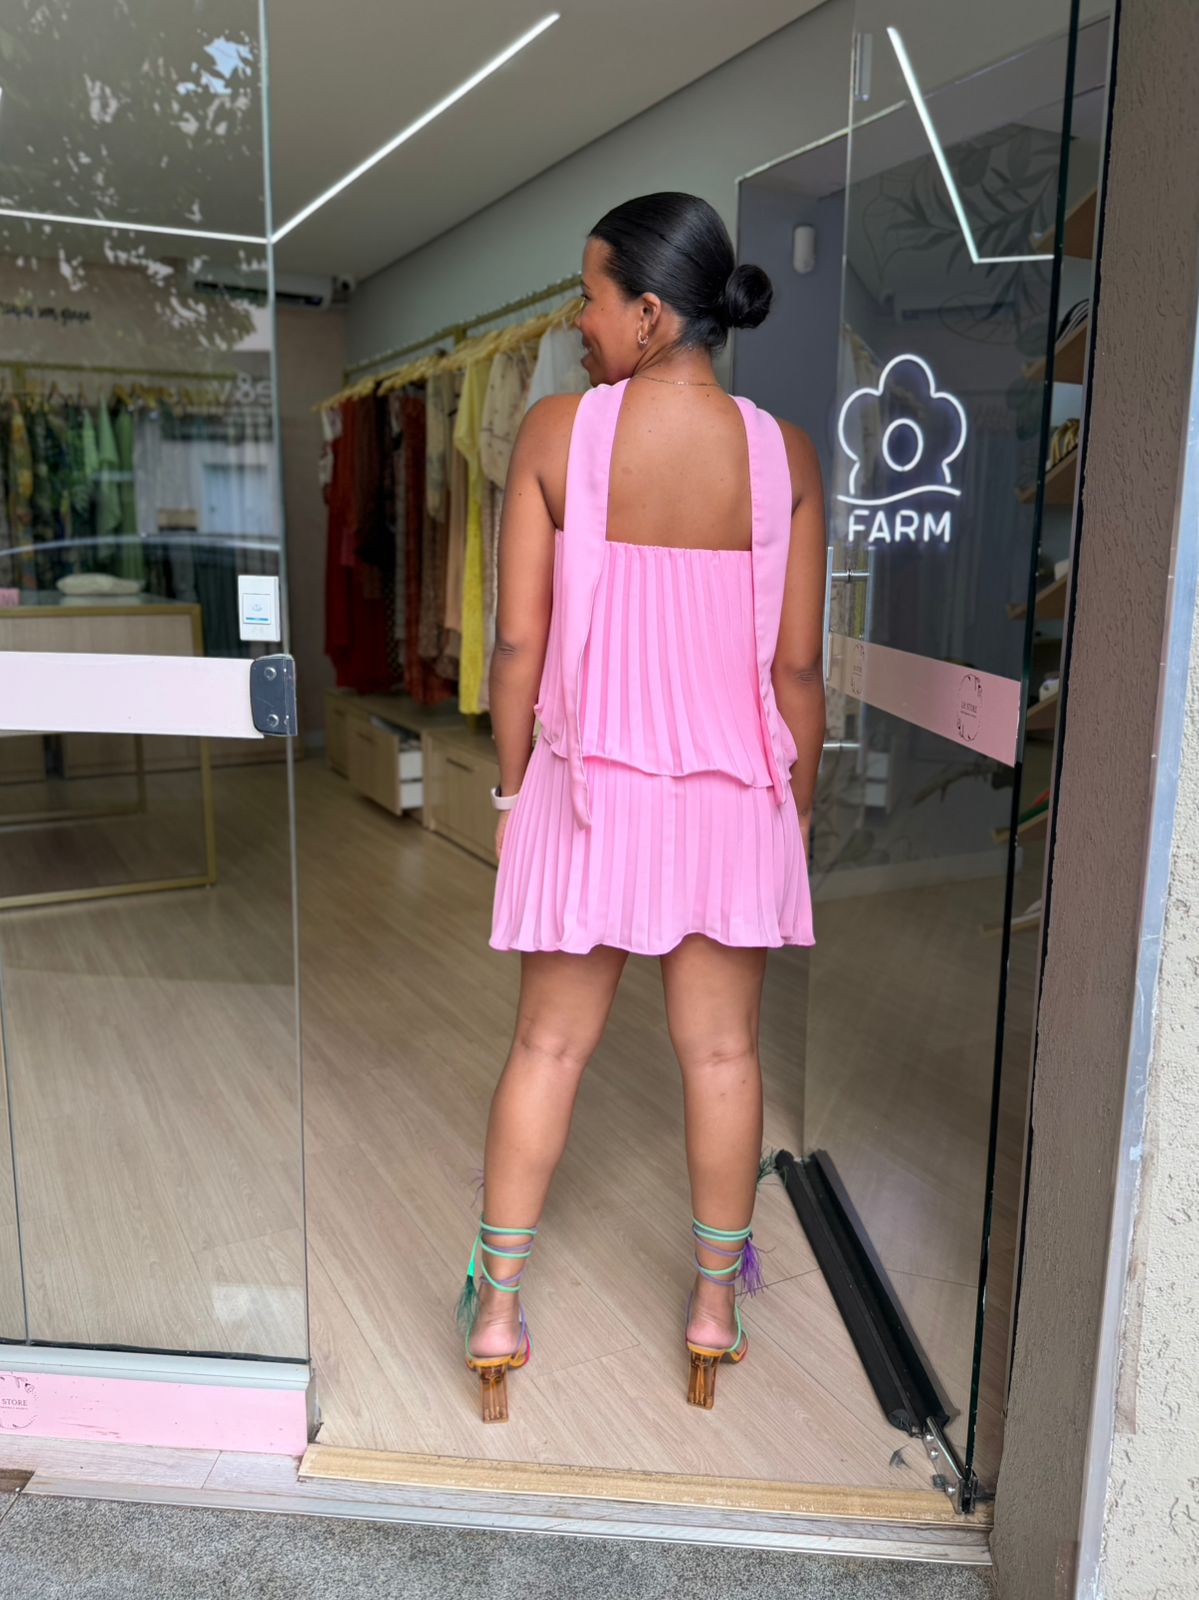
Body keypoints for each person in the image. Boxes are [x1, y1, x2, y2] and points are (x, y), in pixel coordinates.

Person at [456, 192, 826, 1422]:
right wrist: (792, 818)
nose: (578, 319)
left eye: (591, 296)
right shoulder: (783, 458)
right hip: (732, 797)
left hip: (588, 791)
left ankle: (496, 1309)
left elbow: (518, 647)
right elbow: (796, 674)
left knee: (545, 1048)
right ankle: (714, 1307)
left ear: (651, 313)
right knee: (721, 1054)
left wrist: (512, 789)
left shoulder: (559, 436)